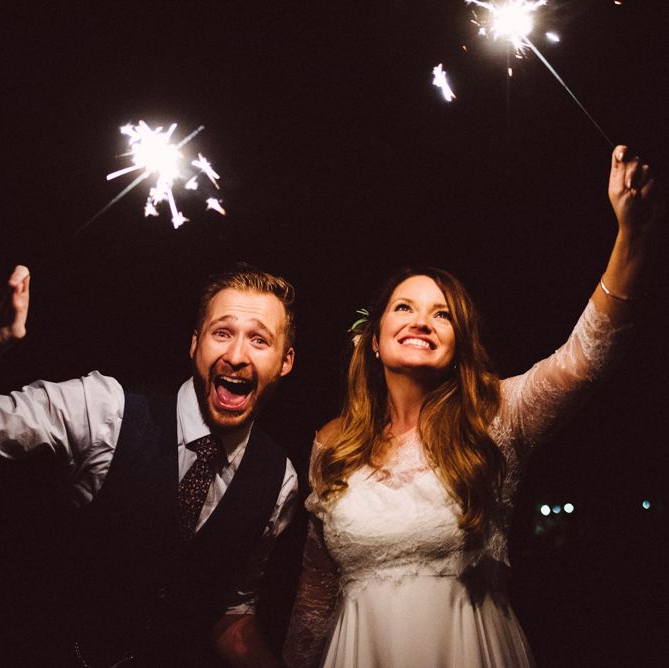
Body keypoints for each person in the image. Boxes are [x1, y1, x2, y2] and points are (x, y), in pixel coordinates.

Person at [282, 146, 665, 668]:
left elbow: (586, 356)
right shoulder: (331, 444)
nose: (421, 321)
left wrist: (632, 235)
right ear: (373, 340)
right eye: (404, 308)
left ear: (457, 342)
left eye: (442, 315)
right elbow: (314, 595)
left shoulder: (497, 416)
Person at [0, 264, 298, 667]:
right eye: (222, 333)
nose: (235, 355)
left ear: (285, 362)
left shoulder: (278, 480)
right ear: (195, 344)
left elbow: (234, 610)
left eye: (259, 340)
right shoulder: (105, 409)